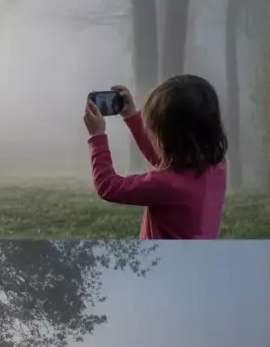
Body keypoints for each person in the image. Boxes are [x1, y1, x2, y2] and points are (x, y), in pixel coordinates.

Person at [83, 77, 228, 239]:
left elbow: (108, 187)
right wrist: (131, 117)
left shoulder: (167, 184)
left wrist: (97, 137)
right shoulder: (217, 165)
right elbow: (162, 160)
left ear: (170, 135)